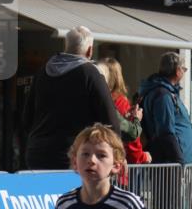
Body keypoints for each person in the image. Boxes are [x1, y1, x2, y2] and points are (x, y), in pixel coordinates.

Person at [24, 27, 141, 170]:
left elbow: (27, 119)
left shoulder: (42, 72)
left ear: (66, 46)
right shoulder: (90, 73)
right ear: (90, 50)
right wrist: (117, 155)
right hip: (71, 157)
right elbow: (110, 120)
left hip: (37, 154)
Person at [139, 52, 192, 165]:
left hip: (173, 162)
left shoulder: (166, 92)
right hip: (170, 163)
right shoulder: (163, 95)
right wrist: (179, 160)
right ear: (177, 71)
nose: (184, 73)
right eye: (184, 69)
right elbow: (165, 131)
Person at [100, 58, 150, 165]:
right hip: (116, 164)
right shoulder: (120, 102)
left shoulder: (99, 99)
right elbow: (131, 140)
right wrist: (142, 157)